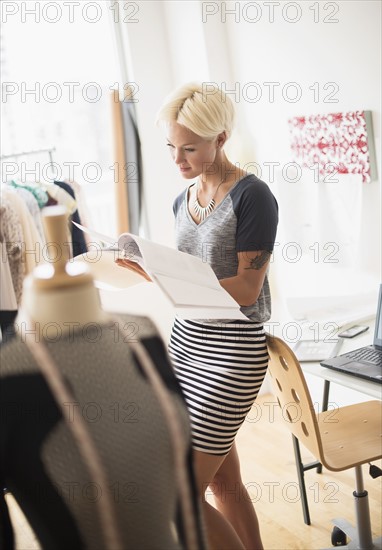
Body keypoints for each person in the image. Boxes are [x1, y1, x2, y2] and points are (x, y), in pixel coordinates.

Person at [155, 82, 279, 550]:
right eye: (172, 147)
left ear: (221, 139)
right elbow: (190, 273)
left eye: (189, 148)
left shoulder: (253, 197)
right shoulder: (181, 200)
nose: (178, 160)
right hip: (185, 345)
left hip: (231, 357)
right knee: (222, 486)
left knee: (180, 496)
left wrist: (168, 282)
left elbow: (247, 289)